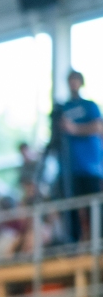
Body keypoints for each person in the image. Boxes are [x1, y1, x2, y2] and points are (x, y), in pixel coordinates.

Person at [57, 70, 102, 240]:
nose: (73, 83)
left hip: (90, 167)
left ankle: (98, 240)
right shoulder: (63, 108)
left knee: (94, 208)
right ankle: (74, 243)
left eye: (76, 80)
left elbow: (98, 127)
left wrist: (75, 129)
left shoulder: (90, 106)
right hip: (69, 170)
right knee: (72, 210)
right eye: (70, 80)